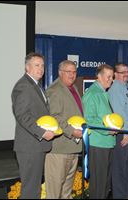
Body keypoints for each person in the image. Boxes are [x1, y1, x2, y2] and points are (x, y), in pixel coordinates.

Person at [11, 52, 55, 199]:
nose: (41, 69)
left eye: (42, 65)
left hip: (36, 146)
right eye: (37, 65)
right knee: (30, 190)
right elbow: (22, 116)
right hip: (30, 147)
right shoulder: (23, 86)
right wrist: (42, 132)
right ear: (27, 67)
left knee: (34, 187)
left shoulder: (35, 85)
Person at [44, 60, 83, 199]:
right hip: (59, 149)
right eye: (68, 72)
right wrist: (72, 131)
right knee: (54, 191)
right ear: (60, 73)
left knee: (66, 191)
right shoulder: (54, 90)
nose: (72, 75)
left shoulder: (73, 88)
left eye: (74, 71)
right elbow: (54, 117)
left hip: (72, 147)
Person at [82, 64, 115, 199]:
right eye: (108, 76)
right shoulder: (92, 94)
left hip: (107, 143)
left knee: (105, 184)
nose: (111, 79)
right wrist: (108, 129)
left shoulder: (103, 92)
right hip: (98, 144)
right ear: (99, 76)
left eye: (112, 77)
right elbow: (88, 120)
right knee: (98, 184)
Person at [108, 63, 128, 199]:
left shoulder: (125, 86)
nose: (126, 74)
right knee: (120, 165)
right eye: (122, 72)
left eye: (127, 71)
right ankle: (120, 195)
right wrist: (126, 131)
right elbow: (119, 112)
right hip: (123, 131)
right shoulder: (116, 89)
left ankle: (127, 193)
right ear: (115, 74)